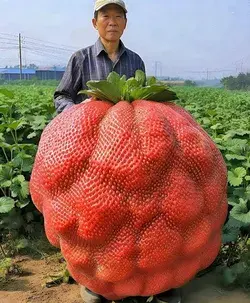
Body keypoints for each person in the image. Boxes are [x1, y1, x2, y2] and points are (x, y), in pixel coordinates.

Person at [53, 1, 182, 303]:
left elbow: (142, 104)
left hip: (130, 151)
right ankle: (97, 281)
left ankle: (138, 272)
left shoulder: (134, 60)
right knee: (95, 214)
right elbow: (61, 95)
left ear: (125, 22)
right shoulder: (81, 58)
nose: (112, 22)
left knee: (133, 212)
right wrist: (77, 113)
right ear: (94, 22)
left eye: (118, 16)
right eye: (105, 16)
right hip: (90, 152)